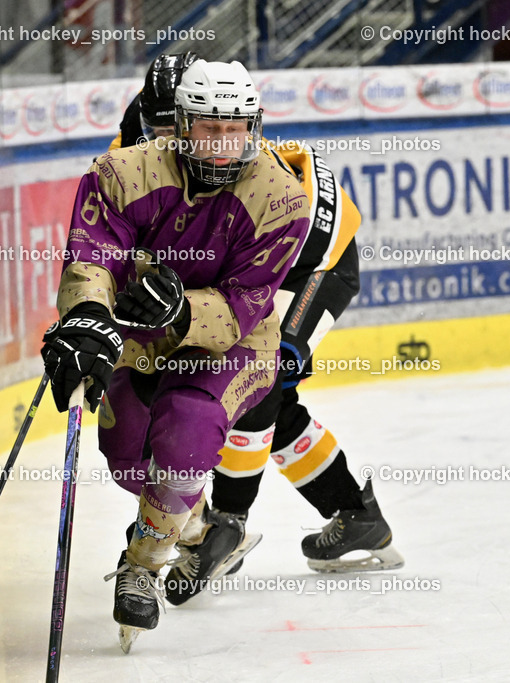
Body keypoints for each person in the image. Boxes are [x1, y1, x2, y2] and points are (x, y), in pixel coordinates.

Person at [112, 54, 404, 606]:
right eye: (156, 128)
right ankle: (354, 514)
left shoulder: (234, 157)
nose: (167, 141)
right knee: (225, 382)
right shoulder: (134, 145)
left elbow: (260, 266)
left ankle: (227, 523)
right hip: (240, 262)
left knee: (262, 373)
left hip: (308, 261)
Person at [41, 59, 310, 642]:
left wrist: (183, 310)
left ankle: (141, 567)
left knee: (187, 427)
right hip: (140, 334)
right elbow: (93, 257)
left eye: (236, 128)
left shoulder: (281, 197)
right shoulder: (120, 173)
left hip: (235, 343)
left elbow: (243, 303)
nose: (225, 142)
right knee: (128, 458)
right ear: (183, 126)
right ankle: (197, 526)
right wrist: (87, 318)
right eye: (211, 128)